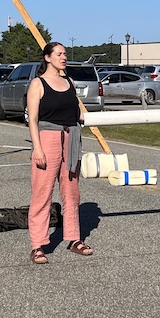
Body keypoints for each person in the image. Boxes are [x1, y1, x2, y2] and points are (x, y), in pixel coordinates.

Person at [25, 42, 92, 263]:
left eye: (65, 54)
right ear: (48, 57)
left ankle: (74, 239)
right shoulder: (38, 84)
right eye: (59, 54)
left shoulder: (69, 82)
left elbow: (77, 114)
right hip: (47, 138)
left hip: (71, 140)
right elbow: (33, 120)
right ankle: (38, 245)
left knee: (72, 193)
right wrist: (37, 148)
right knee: (42, 193)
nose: (64, 57)